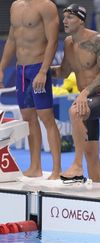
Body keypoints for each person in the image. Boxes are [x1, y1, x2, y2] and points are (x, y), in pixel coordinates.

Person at [50, 4, 100, 183]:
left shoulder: (98, 41)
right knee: (91, 151)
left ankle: (77, 165)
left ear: (81, 20)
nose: (65, 21)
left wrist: (84, 93)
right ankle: (97, 189)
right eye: (64, 17)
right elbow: (63, 71)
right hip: (85, 99)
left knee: (74, 111)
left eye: (70, 17)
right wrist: (43, 71)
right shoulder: (69, 43)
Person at [0, 0, 61, 179]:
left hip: (37, 68)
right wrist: (2, 67)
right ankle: (35, 167)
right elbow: (12, 38)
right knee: (28, 118)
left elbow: (53, 40)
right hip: (21, 70)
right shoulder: (15, 6)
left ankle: (57, 169)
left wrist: (43, 71)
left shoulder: (46, 6)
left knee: (46, 117)